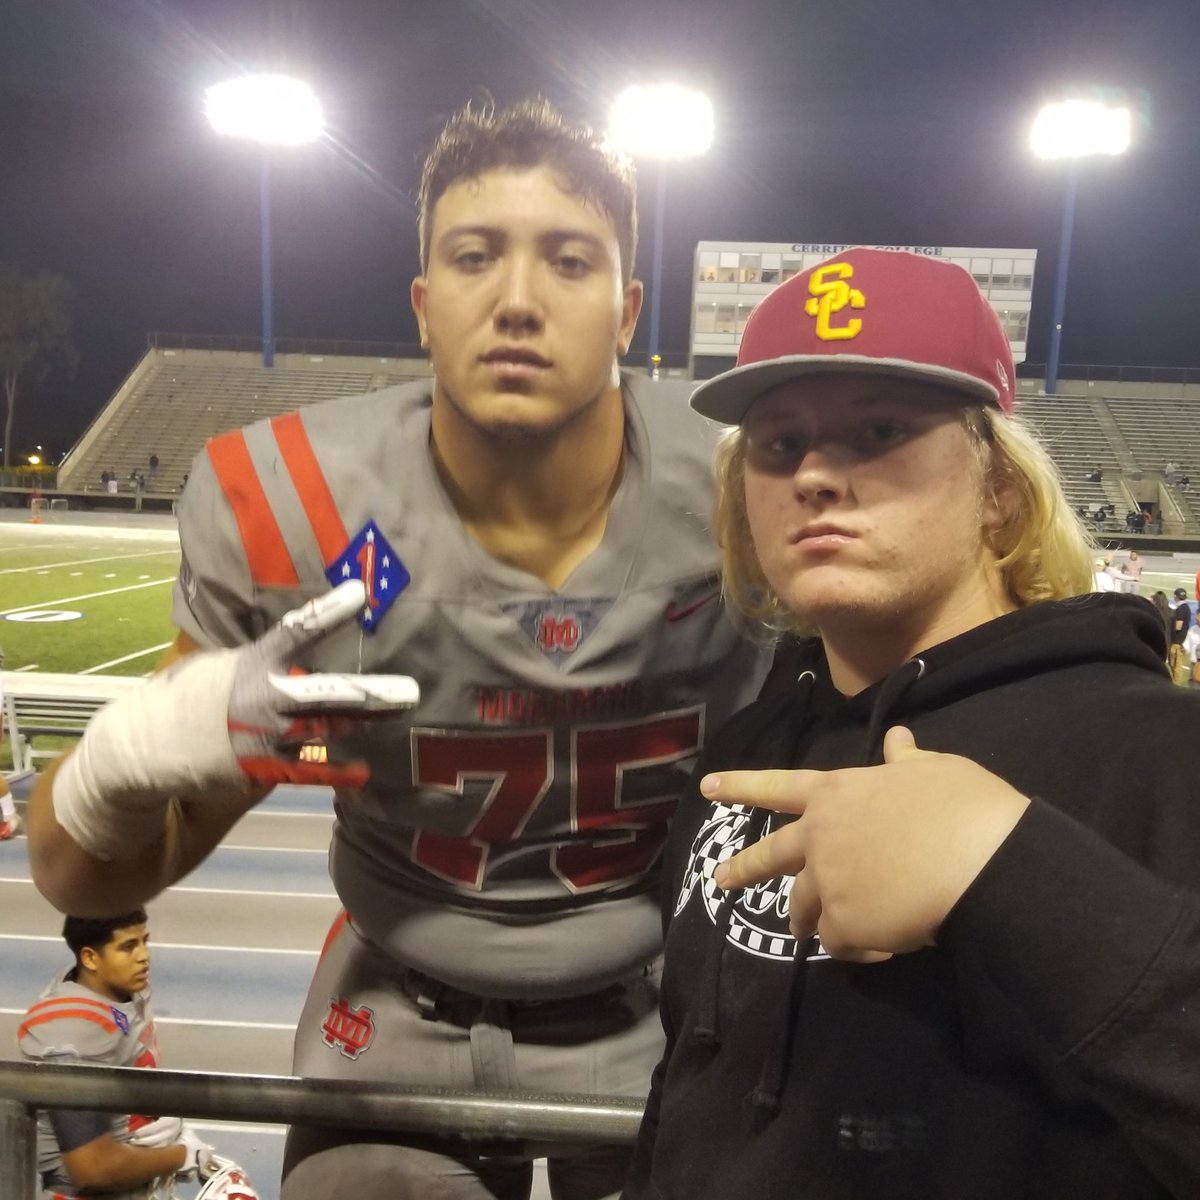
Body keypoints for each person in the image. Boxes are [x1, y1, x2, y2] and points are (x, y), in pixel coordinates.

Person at [27, 98, 772, 1200]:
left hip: (647, 993)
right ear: (425, 306)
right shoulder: (299, 508)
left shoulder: (745, 495)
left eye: (568, 260)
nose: (517, 300)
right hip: (397, 993)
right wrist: (120, 768)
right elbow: (80, 871)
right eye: (476, 257)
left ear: (627, 311)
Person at [624, 247, 1200, 1198]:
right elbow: (690, 1080)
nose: (813, 475)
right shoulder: (746, 755)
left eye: (877, 430)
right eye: (778, 443)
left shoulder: (1164, 753)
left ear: (999, 491)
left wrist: (1009, 872)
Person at [17, 909, 234, 1198]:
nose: (144, 956)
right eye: (128, 947)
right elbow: (92, 1168)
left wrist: (166, 1123)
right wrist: (181, 1156)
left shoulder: (122, 996)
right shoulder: (71, 1028)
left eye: (144, 941)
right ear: (90, 958)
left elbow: (131, 1077)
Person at [1168, 587, 1193, 685]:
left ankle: (1176, 686)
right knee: (1175, 665)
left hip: (1177, 641)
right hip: (1181, 640)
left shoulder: (1180, 609)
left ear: (1175, 596)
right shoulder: (1186, 608)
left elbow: (1178, 626)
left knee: (1176, 665)